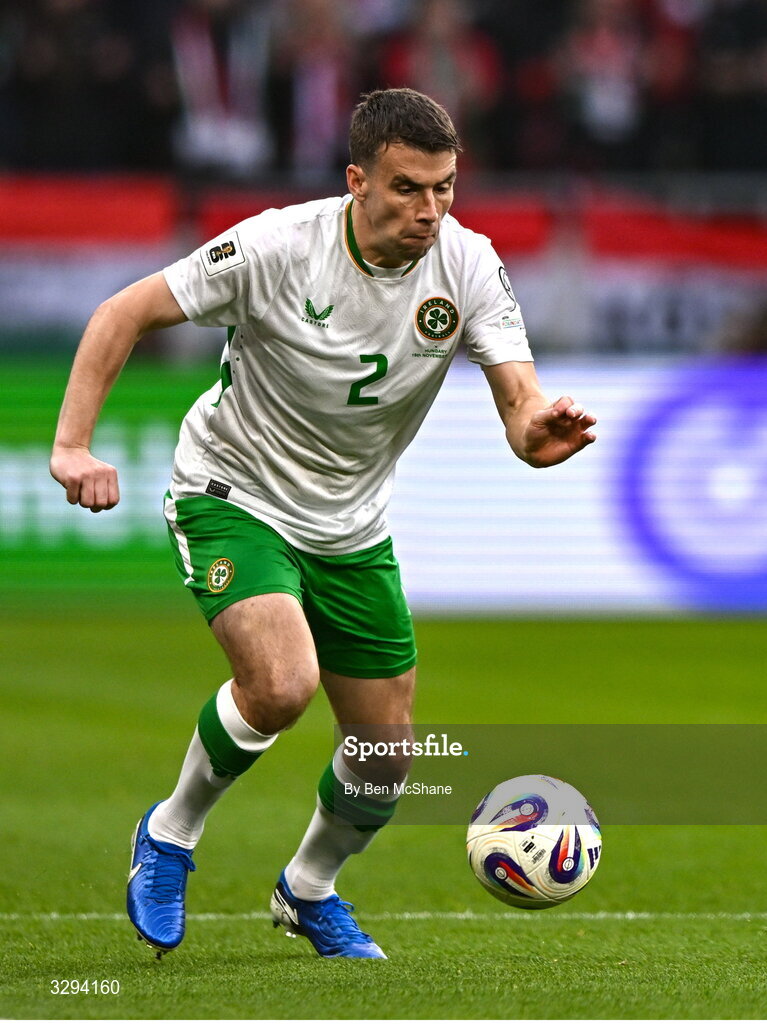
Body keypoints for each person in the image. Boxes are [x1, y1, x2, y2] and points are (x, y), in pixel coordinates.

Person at [49, 88, 597, 961]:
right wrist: (73, 444)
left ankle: (307, 890)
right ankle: (170, 834)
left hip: (350, 524)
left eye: (445, 188)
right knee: (279, 684)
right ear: (357, 181)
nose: (429, 210)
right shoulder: (275, 246)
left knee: (385, 753)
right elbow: (124, 312)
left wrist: (536, 432)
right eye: (408, 188)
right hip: (235, 492)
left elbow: (519, 402)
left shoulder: (468, 264)